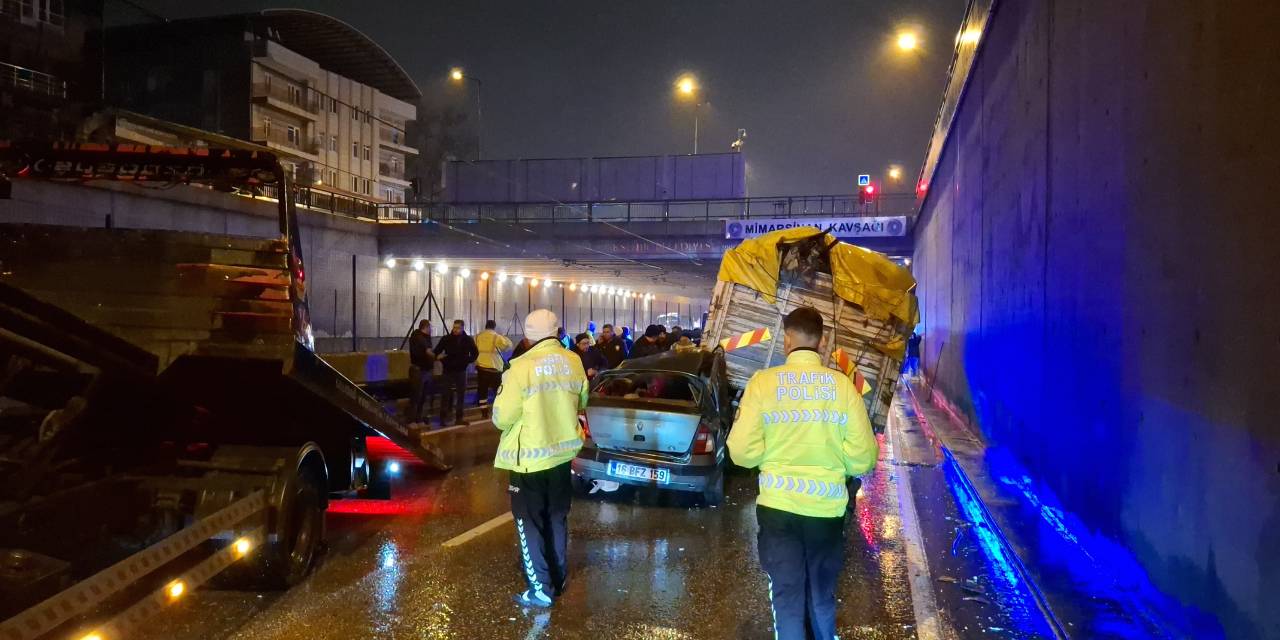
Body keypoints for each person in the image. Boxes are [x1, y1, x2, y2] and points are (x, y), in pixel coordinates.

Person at [727, 306, 878, 640]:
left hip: (779, 510)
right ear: (822, 343)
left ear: (786, 340)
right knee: (822, 595)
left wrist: (770, 455)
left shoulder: (763, 384)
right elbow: (863, 458)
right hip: (826, 513)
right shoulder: (842, 387)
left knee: (787, 595)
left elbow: (740, 452)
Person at [492, 309, 588, 609]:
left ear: (527, 337)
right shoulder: (574, 361)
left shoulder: (521, 368)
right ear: (558, 331)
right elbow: (583, 400)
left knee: (529, 524)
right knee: (557, 518)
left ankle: (540, 589)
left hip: (529, 460)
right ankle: (557, 581)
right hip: (561, 457)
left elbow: (502, 417)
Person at [435, 319, 478, 426]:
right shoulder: (446, 339)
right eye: (454, 327)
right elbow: (437, 351)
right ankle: (443, 418)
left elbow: (475, 353)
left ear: (463, 328)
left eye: (458, 328)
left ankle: (459, 418)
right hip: (448, 370)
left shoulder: (467, 340)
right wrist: (440, 358)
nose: (455, 330)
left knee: (461, 395)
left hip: (461, 371)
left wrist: (466, 361)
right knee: (445, 394)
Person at [475, 319, 512, 412]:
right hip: (494, 368)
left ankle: (483, 411)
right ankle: (499, 409)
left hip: (481, 367)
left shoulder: (477, 336)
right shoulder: (497, 337)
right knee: (497, 390)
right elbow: (508, 346)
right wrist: (504, 337)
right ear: (494, 327)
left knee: (482, 390)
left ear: (485, 326)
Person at [407, 319, 435, 423]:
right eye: (431, 327)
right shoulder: (418, 337)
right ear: (426, 327)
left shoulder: (426, 337)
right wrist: (437, 357)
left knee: (422, 397)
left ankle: (418, 418)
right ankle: (412, 421)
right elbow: (428, 352)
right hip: (419, 371)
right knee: (416, 397)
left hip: (425, 370)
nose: (431, 329)